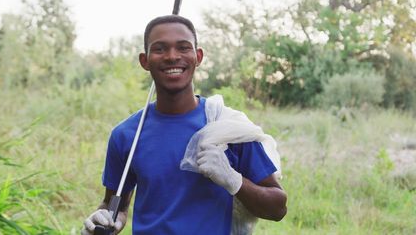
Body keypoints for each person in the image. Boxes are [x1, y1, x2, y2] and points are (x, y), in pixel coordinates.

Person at [81, 15, 287, 235]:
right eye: (160, 49)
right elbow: (116, 208)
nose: (172, 57)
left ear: (198, 56)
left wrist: (233, 179)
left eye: (183, 47)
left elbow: (277, 208)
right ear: (145, 60)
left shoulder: (226, 128)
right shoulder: (126, 135)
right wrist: (102, 221)